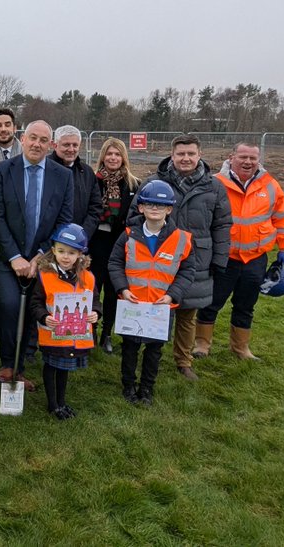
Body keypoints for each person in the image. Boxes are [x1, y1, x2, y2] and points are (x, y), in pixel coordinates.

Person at [130, 135, 232, 381]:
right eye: (181, 154)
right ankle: (149, 354)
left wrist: (220, 259)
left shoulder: (214, 186)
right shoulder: (153, 183)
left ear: (199, 155)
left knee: (188, 314)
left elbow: (222, 224)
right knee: (158, 309)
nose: (186, 158)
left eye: (191, 154)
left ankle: (183, 361)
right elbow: (133, 218)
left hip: (197, 260)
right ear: (172, 155)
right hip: (159, 260)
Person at [0, 120, 74, 388]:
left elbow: (64, 220)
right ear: (22, 139)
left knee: (30, 311)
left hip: (43, 258)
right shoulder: (3, 171)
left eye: (43, 140)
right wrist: (15, 257)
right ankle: (7, 361)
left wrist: (39, 256)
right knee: (10, 306)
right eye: (33, 138)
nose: (37, 144)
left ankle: (21, 363)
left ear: (51, 145)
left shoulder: (63, 176)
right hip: (7, 256)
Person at [195, 142, 284, 360]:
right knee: (211, 302)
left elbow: (283, 217)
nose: (248, 162)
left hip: (255, 259)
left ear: (258, 160)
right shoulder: (215, 183)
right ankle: (202, 344)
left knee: (246, 304)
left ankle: (241, 348)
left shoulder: (270, 185)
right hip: (224, 258)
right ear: (231, 157)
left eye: (252, 158)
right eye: (243, 157)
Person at [109, 180, 195, 407]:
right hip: (133, 304)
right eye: (149, 204)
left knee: (154, 350)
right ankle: (128, 385)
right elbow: (115, 263)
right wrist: (123, 289)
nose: (154, 209)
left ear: (169, 209)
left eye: (160, 205)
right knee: (129, 348)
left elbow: (187, 270)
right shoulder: (128, 235)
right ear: (141, 208)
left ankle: (147, 388)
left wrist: (172, 295)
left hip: (161, 306)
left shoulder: (182, 239)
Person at [28, 224, 99, 420]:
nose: (65, 256)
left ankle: (62, 401)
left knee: (64, 369)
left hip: (74, 336)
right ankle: (53, 404)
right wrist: (44, 317)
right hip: (52, 335)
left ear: (80, 254)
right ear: (53, 251)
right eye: (61, 251)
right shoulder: (45, 276)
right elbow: (35, 303)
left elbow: (95, 301)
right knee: (51, 367)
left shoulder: (88, 277)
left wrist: (96, 314)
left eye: (71, 252)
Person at [88, 137, 141, 354]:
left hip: (119, 245)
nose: (113, 158)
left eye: (117, 154)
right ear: (102, 156)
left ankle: (107, 333)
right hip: (95, 244)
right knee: (92, 289)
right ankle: (90, 329)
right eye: (109, 154)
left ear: (123, 158)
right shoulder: (93, 181)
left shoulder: (133, 184)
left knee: (113, 292)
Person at [49, 125, 102, 238]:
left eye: (75, 145)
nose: (71, 149)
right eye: (66, 145)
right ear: (54, 145)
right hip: (48, 242)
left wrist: (82, 234)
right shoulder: (44, 169)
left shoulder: (87, 172)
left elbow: (95, 207)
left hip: (79, 241)